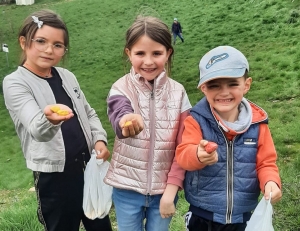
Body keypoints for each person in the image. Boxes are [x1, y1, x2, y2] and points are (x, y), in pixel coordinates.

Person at [2, 9, 113, 231]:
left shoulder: (66, 76)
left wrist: (99, 140)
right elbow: (36, 129)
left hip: (87, 166)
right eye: (41, 41)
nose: (49, 50)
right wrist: (49, 119)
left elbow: (88, 113)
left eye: (57, 45)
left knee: (100, 225)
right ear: (24, 42)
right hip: (54, 178)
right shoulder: (15, 83)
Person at [176, 45, 282, 231]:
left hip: (242, 216)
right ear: (203, 88)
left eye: (232, 84)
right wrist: (198, 155)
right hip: (203, 215)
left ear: (246, 84)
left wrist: (270, 181)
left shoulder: (258, 125)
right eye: (214, 85)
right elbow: (183, 155)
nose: (223, 92)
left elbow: (266, 163)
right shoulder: (196, 121)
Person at [104, 16, 192, 231]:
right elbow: (119, 113)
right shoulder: (120, 88)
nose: (149, 61)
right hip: (126, 190)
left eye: (157, 53)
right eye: (140, 53)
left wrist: (171, 191)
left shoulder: (179, 93)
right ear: (128, 53)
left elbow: (184, 145)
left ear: (168, 52)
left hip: (164, 190)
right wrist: (127, 121)